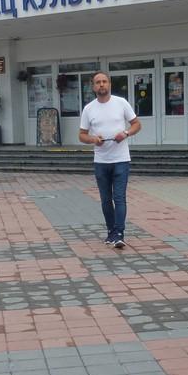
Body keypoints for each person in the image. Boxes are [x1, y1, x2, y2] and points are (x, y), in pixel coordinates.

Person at [79, 72, 141, 248]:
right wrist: (93, 139)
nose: (101, 85)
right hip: (101, 161)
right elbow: (81, 135)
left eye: (104, 81)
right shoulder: (89, 109)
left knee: (119, 198)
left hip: (121, 159)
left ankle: (119, 233)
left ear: (110, 84)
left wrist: (126, 133)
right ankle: (111, 232)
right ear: (93, 86)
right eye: (98, 82)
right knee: (106, 199)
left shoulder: (121, 103)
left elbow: (136, 124)